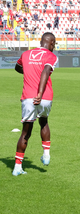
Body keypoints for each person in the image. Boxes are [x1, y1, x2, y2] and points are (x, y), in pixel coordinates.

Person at [12, 33, 58, 176]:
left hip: (28, 97)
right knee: (43, 122)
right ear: (51, 43)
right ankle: (46, 155)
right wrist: (40, 93)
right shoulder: (51, 56)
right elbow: (45, 71)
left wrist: (29, 72)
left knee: (26, 132)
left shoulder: (26, 54)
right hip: (44, 96)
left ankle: (17, 168)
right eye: (54, 44)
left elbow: (17, 67)